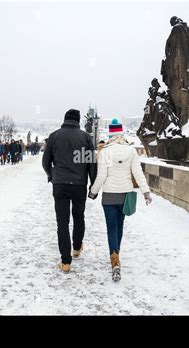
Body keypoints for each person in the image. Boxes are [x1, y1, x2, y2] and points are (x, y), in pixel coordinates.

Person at [89, 119, 152, 281]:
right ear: (122, 133)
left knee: (111, 228)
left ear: (110, 134)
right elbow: (138, 174)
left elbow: (101, 175)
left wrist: (93, 192)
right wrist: (146, 192)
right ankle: (116, 254)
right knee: (120, 226)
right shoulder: (131, 151)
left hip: (109, 195)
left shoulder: (105, 152)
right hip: (124, 195)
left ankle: (114, 256)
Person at [42, 109, 97, 273]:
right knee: (79, 216)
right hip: (79, 184)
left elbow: (46, 162)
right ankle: (77, 247)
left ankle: (65, 262)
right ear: (78, 120)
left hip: (60, 184)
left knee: (62, 222)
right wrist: (93, 185)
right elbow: (91, 164)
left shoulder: (54, 136)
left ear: (65, 119)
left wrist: (52, 175)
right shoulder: (86, 137)